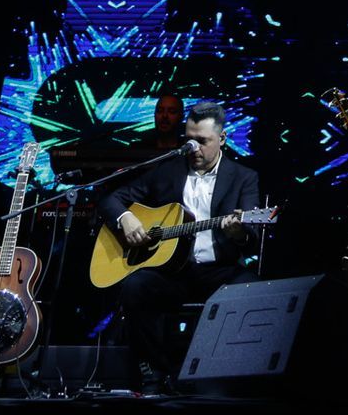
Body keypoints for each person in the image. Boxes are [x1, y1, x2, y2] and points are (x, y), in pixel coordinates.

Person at [105, 100, 260, 386]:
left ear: (222, 139)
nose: (194, 149)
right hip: (173, 272)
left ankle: (229, 377)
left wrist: (239, 232)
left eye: (202, 141)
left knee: (250, 287)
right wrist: (125, 217)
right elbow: (112, 199)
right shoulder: (167, 169)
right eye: (189, 141)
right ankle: (155, 372)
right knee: (135, 286)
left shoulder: (244, 177)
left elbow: (252, 239)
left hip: (219, 271)